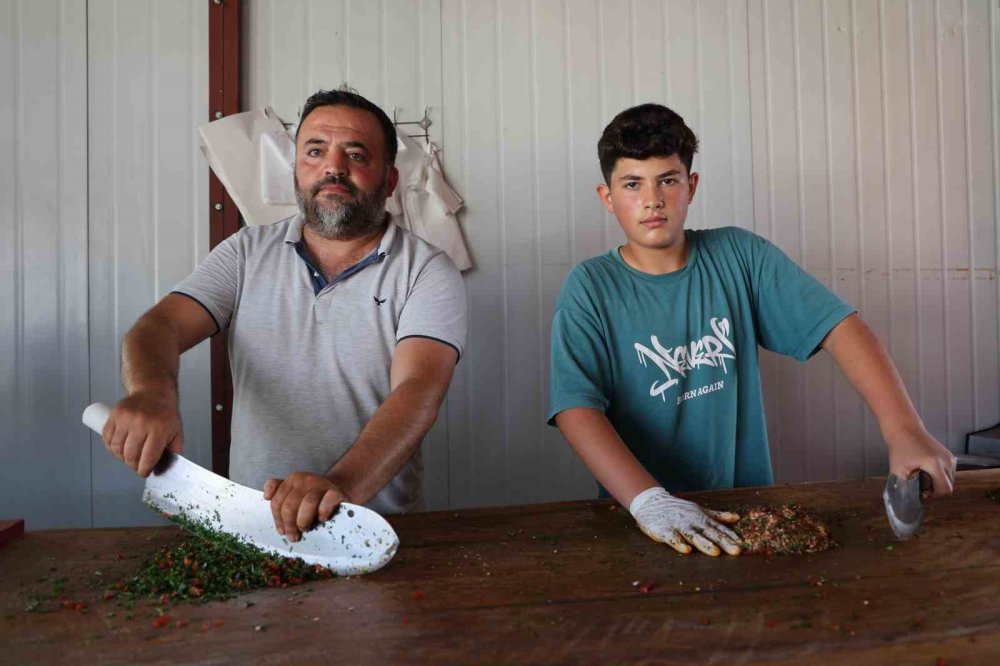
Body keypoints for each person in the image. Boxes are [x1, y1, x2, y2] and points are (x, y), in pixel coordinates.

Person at [547, 103, 956, 557]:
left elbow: (840, 328)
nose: (653, 199)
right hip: (641, 518)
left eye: (668, 180)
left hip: (748, 513)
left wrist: (904, 429)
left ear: (691, 186)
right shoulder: (590, 287)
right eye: (632, 184)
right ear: (607, 197)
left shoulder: (739, 255)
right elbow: (576, 407)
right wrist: (650, 502)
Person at [99, 87, 467, 542]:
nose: (333, 167)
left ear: (389, 182)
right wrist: (151, 392)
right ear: (296, 169)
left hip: (374, 533)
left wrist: (341, 486)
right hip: (254, 529)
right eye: (315, 151)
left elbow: (418, 391)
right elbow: (159, 327)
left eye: (356, 154)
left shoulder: (427, 270)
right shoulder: (246, 252)